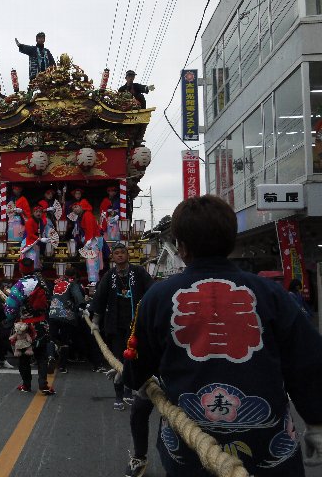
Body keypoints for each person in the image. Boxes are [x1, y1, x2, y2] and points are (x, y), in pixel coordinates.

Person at [128, 195, 322, 476]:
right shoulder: (273, 294)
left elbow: (137, 365)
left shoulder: (157, 297)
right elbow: (308, 363)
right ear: (231, 240)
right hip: (267, 446)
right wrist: (316, 421)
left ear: (180, 247)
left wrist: (138, 378)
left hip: (190, 446)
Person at [89, 242, 153, 411]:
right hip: (115, 325)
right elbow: (100, 299)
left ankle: (128, 391)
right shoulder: (109, 276)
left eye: (122, 252)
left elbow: (151, 293)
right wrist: (95, 321)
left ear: (127, 255)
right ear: (113, 257)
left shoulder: (138, 272)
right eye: (116, 253)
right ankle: (118, 394)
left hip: (135, 325)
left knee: (132, 358)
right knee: (117, 358)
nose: (119, 255)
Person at [4, 257, 55, 395]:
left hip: (24, 326)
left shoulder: (20, 285)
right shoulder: (43, 283)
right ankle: (43, 384)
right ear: (32, 268)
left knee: (24, 358)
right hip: (42, 324)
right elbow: (50, 301)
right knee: (42, 356)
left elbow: (10, 309)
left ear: (20, 269)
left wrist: (10, 317)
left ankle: (26, 385)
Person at [48, 267, 86, 374]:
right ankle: (62, 366)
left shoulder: (56, 284)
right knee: (65, 341)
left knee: (52, 337)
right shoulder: (72, 284)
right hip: (66, 314)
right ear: (74, 276)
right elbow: (78, 297)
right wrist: (82, 306)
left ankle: (50, 357)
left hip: (53, 312)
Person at [20, 205, 50, 270]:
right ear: (33, 213)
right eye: (36, 212)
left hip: (36, 241)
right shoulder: (29, 221)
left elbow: (41, 232)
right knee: (30, 260)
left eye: (40, 212)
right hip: (28, 242)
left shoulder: (41, 221)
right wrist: (40, 239)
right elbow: (30, 234)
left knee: (36, 259)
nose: (38, 213)